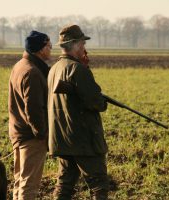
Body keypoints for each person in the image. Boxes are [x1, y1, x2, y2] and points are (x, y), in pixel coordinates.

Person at [47, 25, 109, 200]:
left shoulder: (54, 68)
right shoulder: (78, 69)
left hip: (62, 138)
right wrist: (102, 101)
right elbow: (95, 102)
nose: (84, 47)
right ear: (74, 44)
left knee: (65, 184)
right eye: (82, 43)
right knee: (99, 185)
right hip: (82, 140)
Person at [8, 30, 52, 200]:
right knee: (29, 186)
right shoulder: (32, 72)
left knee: (20, 182)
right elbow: (33, 110)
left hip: (19, 133)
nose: (51, 49)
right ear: (40, 49)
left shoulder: (20, 65)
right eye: (49, 46)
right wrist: (42, 135)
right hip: (31, 137)